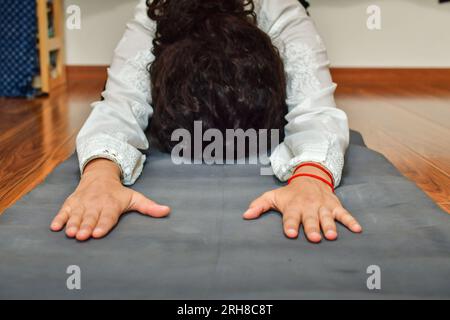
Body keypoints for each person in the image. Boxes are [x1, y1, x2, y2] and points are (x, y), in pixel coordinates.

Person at [50, 0, 362, 243]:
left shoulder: (281, 11)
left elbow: (314, 108)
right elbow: (119, 104)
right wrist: (100, 175)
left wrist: (311, 176)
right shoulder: (155, 14)